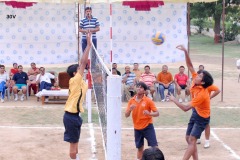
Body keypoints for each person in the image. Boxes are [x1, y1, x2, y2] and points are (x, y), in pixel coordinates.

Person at [168, 45, 213, 160]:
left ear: (202, 82)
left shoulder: (202, 94)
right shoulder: (196, 80)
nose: (196, 75)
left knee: (192, 140)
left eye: (199, 75)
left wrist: (174, 100)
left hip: (202, 117)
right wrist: (186, 52)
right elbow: (190, 65)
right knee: (188, 138)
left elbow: (185, 108)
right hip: (196, 112)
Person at [63, 33, 92, 160]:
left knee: (76, 142)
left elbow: (85, 65)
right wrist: (89, 45)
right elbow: (83, 62)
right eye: (79, 69)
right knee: (73, 145)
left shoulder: (81, 82)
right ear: (75, 73)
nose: (82, 69)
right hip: (70, 116)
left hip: (76, 116)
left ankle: (77, 158)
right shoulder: (75, 80)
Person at [125, 82, 159, 160]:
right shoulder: (131, 101)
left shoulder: (148, 100)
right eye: (137, 87)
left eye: (141, 87)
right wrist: (130, 109)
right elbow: (126, 115)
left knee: (154, 147)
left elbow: (157, 113)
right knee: (140, 148)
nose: (138, 88)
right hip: (137, 128)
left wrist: (149, 113)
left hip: (148, 126)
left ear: (144, 90)